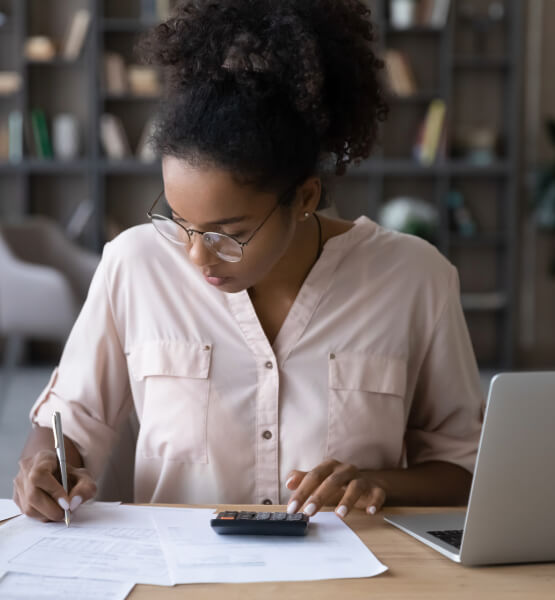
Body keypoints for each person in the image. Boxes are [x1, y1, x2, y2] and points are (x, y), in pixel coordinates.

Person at [13, 0, 484, 524]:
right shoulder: (135, 265)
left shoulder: (415, 279)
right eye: (180, 221)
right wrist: (45, 465)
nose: (196, 255)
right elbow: (69, 421)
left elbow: (463, 467)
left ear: (304, 198)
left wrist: (380, 483)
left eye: (228, 234)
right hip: (178, 576)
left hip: (347, 577)